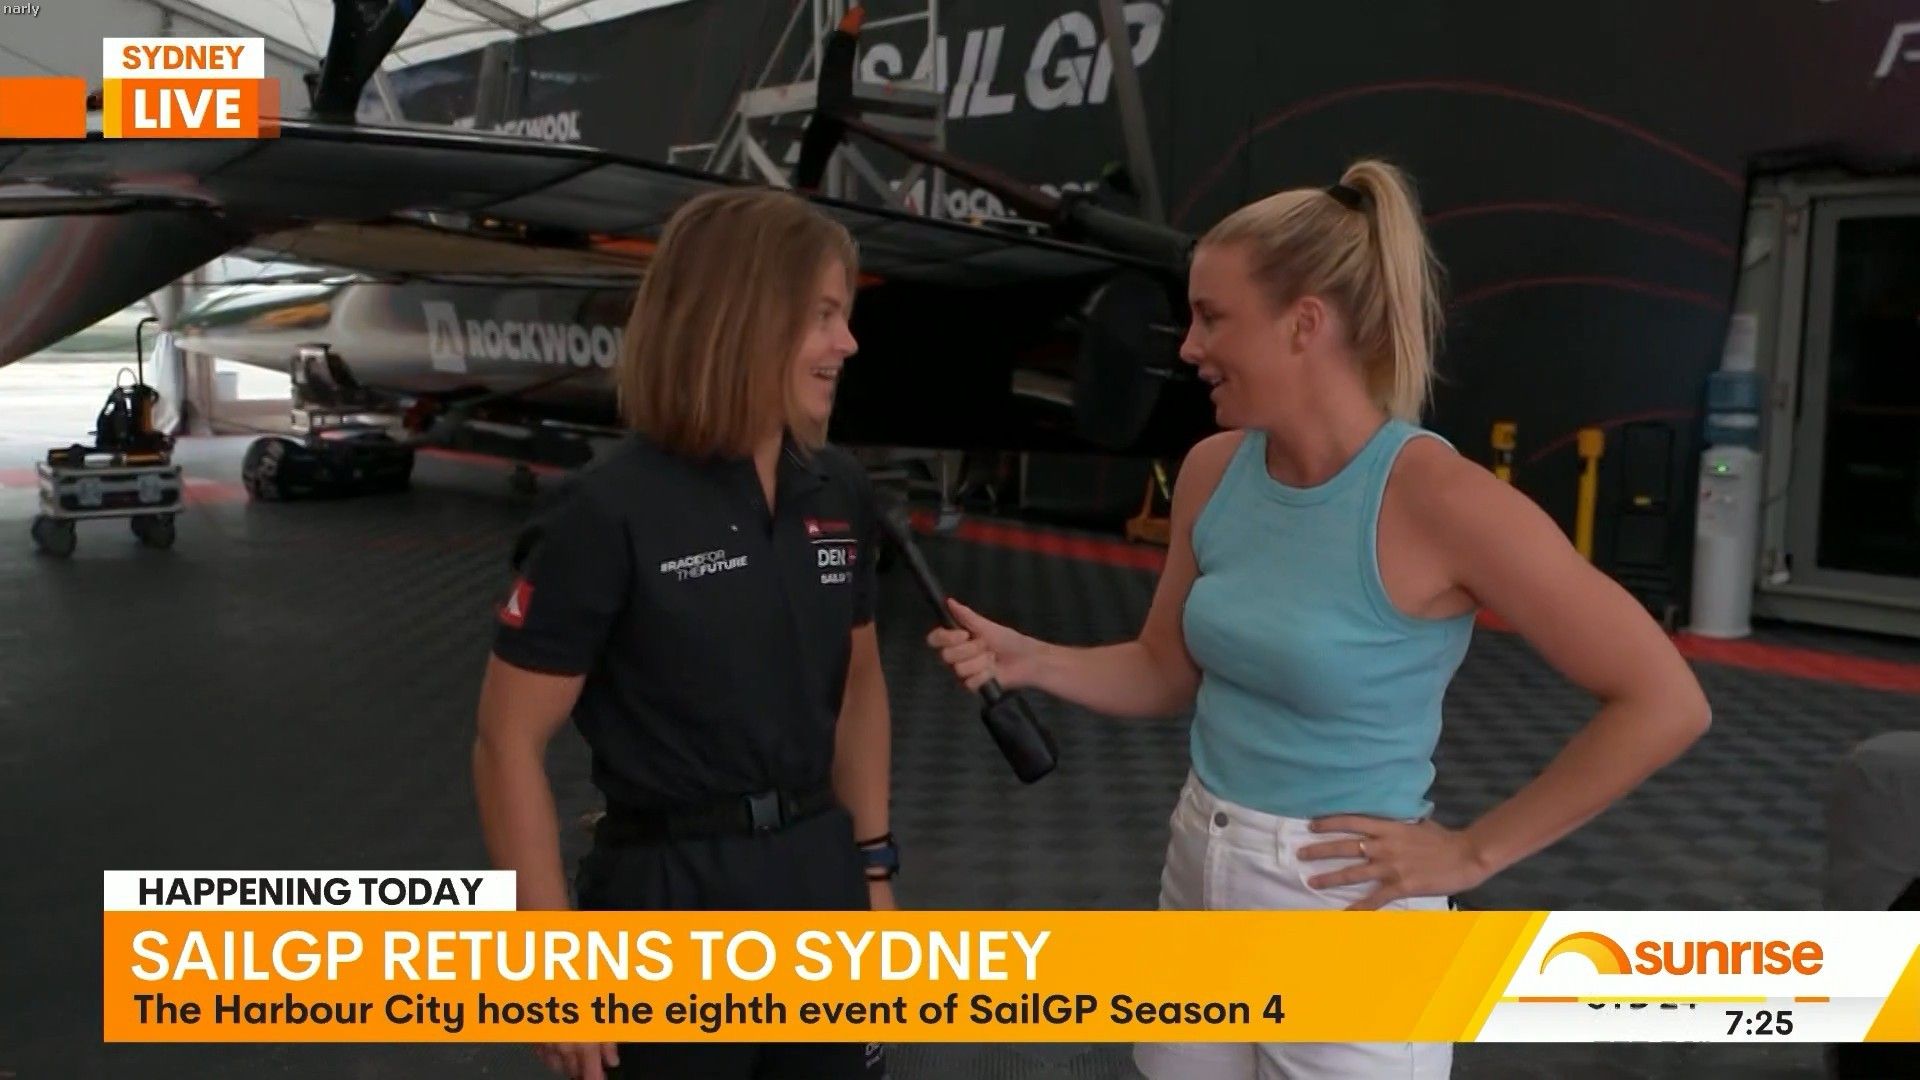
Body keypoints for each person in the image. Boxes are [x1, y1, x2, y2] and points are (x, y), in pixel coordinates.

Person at [925, 159, 1712, 1079]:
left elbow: (1664, 700)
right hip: (1200, 864)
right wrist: (1033, 660)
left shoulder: (1439, 498)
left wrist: (1472, 853)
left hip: (1345, 904)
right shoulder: (1213, 471)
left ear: (1304, 324)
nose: (1188, 347)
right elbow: (1164, 669)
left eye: (1212, 317)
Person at [473, 187, 895, 1080]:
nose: (848, 344)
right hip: (667, 897)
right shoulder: (605, 513)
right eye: (823, 316)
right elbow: (506, 740)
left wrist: (874, 871)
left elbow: (859, 687)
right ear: (743, 319)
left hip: (819, 880)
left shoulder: (840, 492)